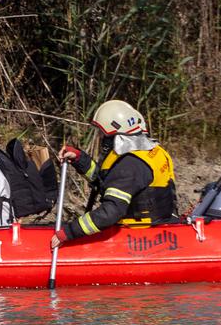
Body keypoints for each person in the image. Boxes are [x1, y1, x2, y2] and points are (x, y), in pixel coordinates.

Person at [51, 98, 178, 248]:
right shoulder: (149, 152)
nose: (99, 137)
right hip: (163, 223)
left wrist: (70, 232)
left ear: (114, 137)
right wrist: (79, 158)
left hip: (140, 237)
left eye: (102, 134)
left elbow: (110, 212)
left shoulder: (130, 165)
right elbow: (106, 180)